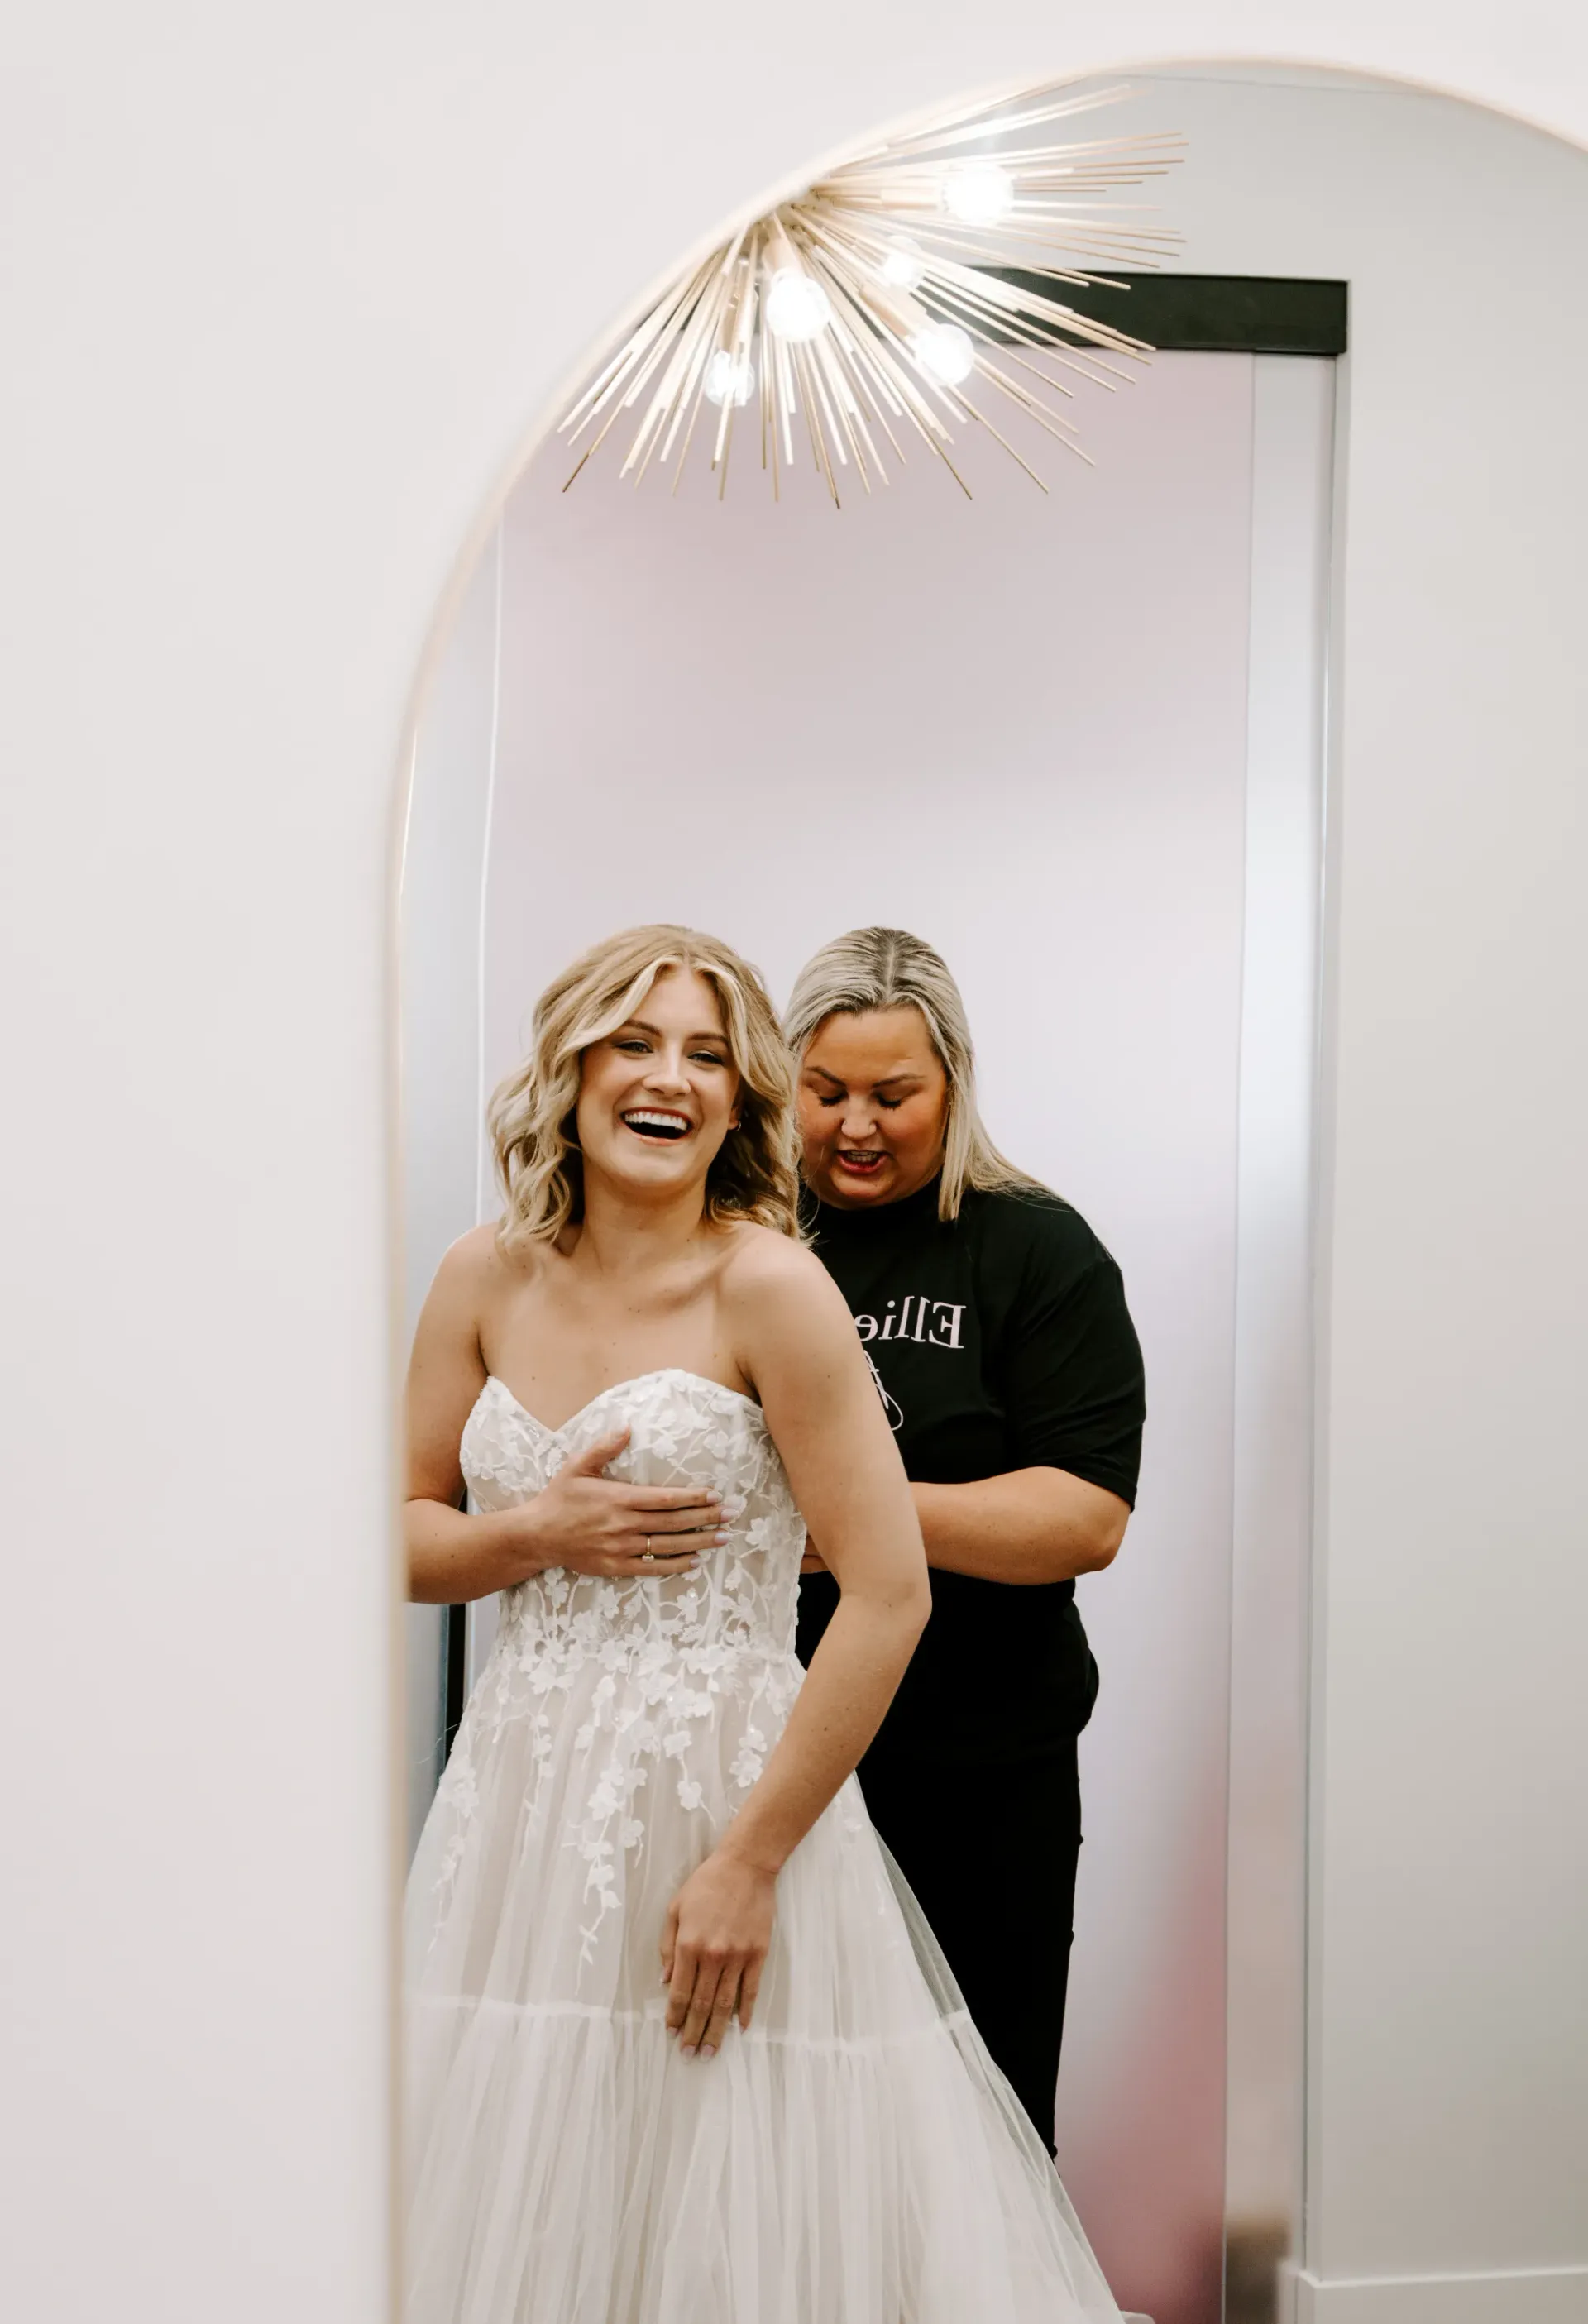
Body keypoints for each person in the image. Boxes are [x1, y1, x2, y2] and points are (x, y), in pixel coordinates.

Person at [402, 923, 1126, 2323]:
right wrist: (528, 1536)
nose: (668, 1075)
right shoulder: (478, 1275)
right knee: (522, 2173)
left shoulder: (774, 1284)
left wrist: (749, 1860)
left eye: (707, 1053)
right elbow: (397, 1534)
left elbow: (889, 1586)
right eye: (634, 1041)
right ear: (570, 1064)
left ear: (740, 1098)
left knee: (733, 2179)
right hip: (519, 1798)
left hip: (725, 1788)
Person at [787, 926, 1146, 2153]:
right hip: (770, 1756)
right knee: (792, 2127)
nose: (856, 1124)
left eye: (894, 1094)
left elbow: (1085, 1517)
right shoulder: (744, 1246)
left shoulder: (1036, 1249)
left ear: (956, 1082)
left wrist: (856, 1524)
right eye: (826, 1091)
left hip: (985, 1764)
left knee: (978, 2120)